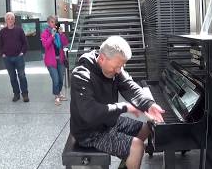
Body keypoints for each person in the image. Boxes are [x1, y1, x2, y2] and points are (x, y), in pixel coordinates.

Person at [70, 36, 165, 169]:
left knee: (146, 128)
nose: (118, 71)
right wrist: (123, 107)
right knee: (137, 146)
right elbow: (89, 113)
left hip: (108, 121)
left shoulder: (114, 68)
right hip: (89, 132)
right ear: (102, 58)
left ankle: (128, 162)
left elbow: (130, 86)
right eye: (116, 67)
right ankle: (132, 156)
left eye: (121, 66)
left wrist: (149, 105)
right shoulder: (81, 75)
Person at [0, 12, 29, 102]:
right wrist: (2, 54)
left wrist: (22, 52)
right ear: (6, 20)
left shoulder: (19, 30)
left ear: (14, 20)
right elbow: (0, 44)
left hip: (19, 57)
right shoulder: (2, 31)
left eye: (12, 18)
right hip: (7, 58)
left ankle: (25, 94)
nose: (10, 20)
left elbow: (25, 43)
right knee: (12, 77)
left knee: (22, 76)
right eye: (8, 18)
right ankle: (16, 94)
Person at [41, 15, 69, 106]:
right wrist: (52, 36)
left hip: (60, 60)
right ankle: (56, 96)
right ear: (48, 23)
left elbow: (65, 43)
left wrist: (61, 34)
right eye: (52, 22)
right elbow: (45, 45)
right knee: (56, 79)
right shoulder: (45, 33)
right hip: (51, 61)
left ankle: (59, 93)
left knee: (61, 79)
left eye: (55, 22)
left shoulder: (59, 33)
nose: (54, 23)